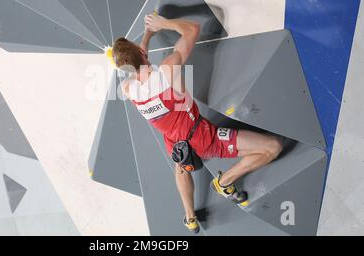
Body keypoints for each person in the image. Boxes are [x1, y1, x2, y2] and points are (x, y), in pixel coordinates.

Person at [113, 14, 283, 233]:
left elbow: (136, 66)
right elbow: (192, 29)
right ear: (140, 53)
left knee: (181, 164)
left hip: (176, 144)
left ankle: (190, 217)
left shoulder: (129, 89)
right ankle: (225, 183)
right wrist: (163, 25)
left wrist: (145, 40)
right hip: (204, 139)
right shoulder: (167, 69)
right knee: (272, 147)